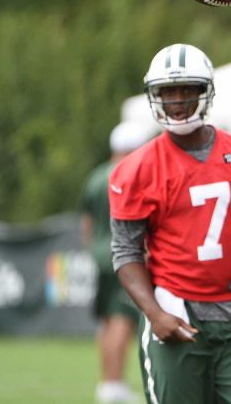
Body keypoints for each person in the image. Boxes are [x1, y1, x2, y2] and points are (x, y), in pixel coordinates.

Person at [108, 43, 231, 404]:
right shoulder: (137, 168)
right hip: (177, 311)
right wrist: (154, 314)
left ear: (206, 92)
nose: (177, 100)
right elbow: (125, 252)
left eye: (187, 89)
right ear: (154, 97)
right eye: (167, 92)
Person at [81, 120, 158, 403]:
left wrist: (94, 250)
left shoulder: (95, 177)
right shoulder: (132, 175)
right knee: (123, 321)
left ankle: (108, 382)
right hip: (126, 257)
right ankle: (113, 386)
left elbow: (87, 223)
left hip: (101, 255)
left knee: (107, 322)